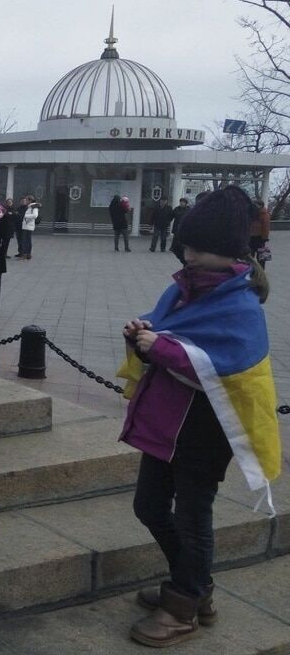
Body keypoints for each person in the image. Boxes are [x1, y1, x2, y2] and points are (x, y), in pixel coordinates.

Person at [117, 186, 280, 647]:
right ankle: (194, 586)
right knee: (147, 506)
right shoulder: (182, 290)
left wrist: (161, 347)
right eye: (185, 245)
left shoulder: (241, 303)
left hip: (205, 432)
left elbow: (229, 368)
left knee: (193, 517)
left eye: (197, 248)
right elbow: (170, 334)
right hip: (165, 424)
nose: (187, 255)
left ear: (227, 251)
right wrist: (142, 333)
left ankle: (185, 603)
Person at [249, 198, 270, 269]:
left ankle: (261, 271)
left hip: (260, 238)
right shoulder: (252, 213)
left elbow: (266, 227)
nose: (253, 206)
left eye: (255, 204)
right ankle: (250, 270)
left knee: (261, 257)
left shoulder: (264, 214)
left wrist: (265, 238)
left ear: (260, 205)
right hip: (251, 237)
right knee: (249, 255)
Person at [17, 195, 39, 259]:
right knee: (26, 240)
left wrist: (25, 216)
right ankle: (27, 254)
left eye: (27, 200)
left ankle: (25, 254)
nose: (25, 201)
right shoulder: (30, 206)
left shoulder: (33, 207)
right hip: (26, 225)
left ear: (30, 200)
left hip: (28, 226)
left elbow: (35, 215)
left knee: (26, 240)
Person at [170, 197, 191, 263]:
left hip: (185, 227)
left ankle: (183, 248)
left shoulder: (189, 210)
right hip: (177, 226)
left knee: (182, 238)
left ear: (186, 203)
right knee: (176, 237)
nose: (181, 203)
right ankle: (173, 247)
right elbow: (171, 216)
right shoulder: (177, 209)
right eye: (181, 202)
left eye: (183, 202)